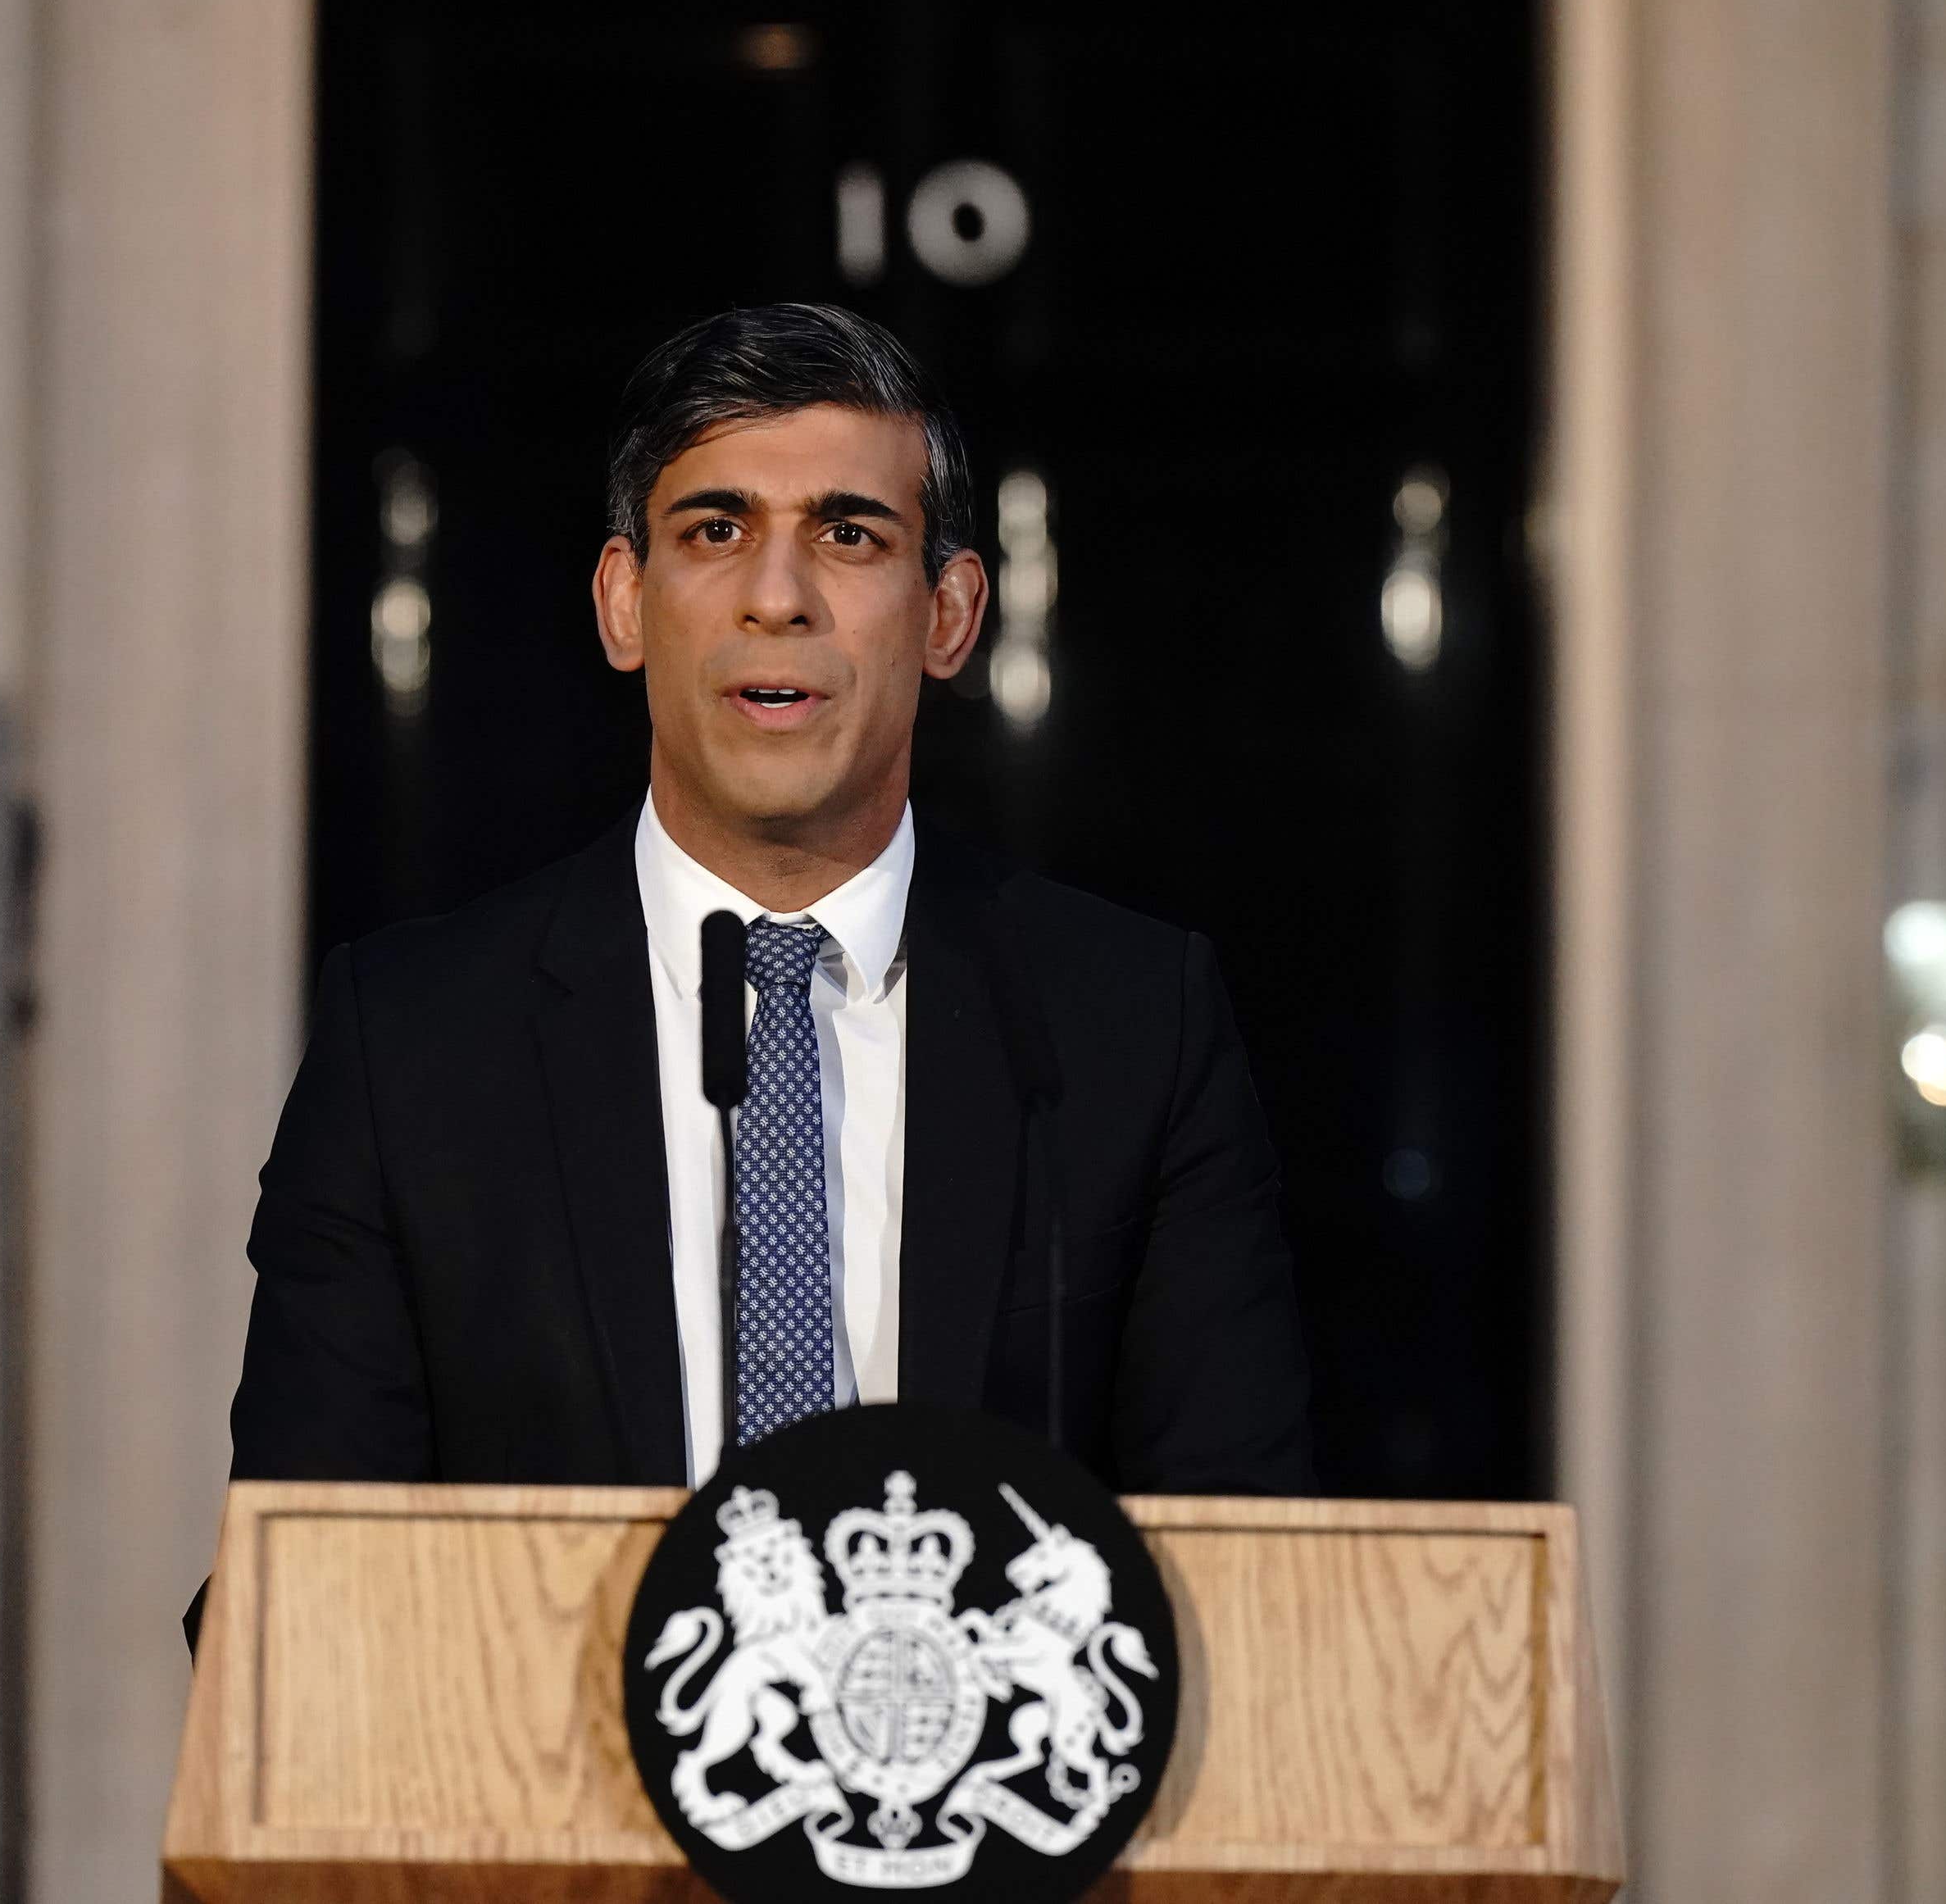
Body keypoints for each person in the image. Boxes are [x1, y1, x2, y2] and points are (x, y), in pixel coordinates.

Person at [222, 302, 1312, 1515]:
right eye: (716, 528)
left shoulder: (1131, 1030)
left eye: (848, 534)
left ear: (947, 613)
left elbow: (1248, 1563)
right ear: (625, 601)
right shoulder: (412, 1045)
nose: (777, 596)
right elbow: (292, 1591)